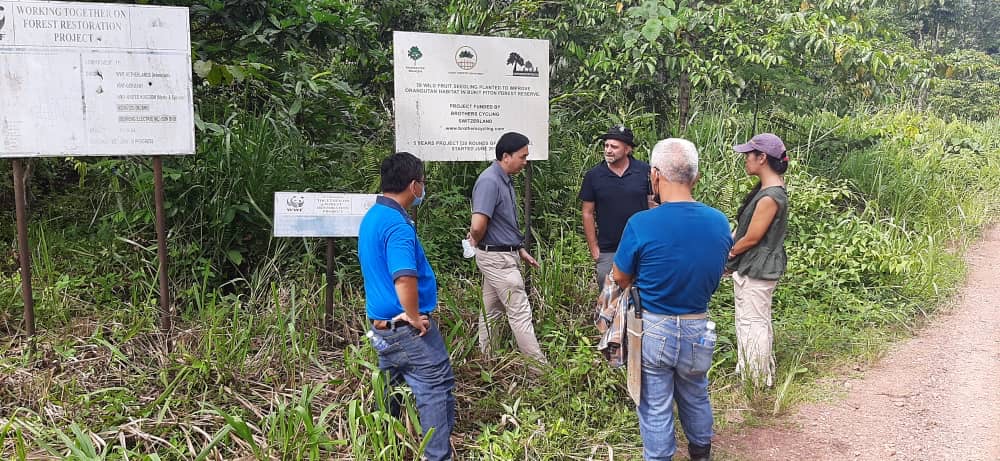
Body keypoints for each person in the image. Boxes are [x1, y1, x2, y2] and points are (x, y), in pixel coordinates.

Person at [612, 138, 733, 461]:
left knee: (654, 403)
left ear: (654, 175)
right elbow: (718, 267)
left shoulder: (641, 223)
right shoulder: (719, 222)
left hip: (654, 329)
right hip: (698, 325)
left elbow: (620, 277)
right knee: (696, 394)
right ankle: (700, 455)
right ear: (696, 177)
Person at [358, 152, 455, 461]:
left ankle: (383, 445)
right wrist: (414, 316)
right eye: (422, 183)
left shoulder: (373, 216)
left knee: (390, 388)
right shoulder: (397, 226)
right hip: (406, 328)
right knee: (436, 385)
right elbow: (403, 278)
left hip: (382, 325)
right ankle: (437, 456)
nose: (423, 189)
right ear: (414, 185)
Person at [467, 132, 547, 366]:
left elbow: (501, 223)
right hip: (496, 258)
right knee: (520, 311)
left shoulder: (503, 179)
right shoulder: (489, 181)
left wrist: (519, 249)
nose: (525, 162)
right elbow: (479, 224)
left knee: (491, 311)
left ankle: (486, 360)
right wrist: (474, 238)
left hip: (503, 253)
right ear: (505, 156)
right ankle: (539, 371)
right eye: (522, 157)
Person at [728, 133, 789, 388]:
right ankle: (759, 374)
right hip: (758, 267)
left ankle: (755, 380)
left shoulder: (769, 196)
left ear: (762, 158)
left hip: (756, 269)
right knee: (757, 321)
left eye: (748, 155)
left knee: (751, 323)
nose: (746, 160)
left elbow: (752, 238)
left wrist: (728, 254)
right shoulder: (771, 190)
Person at [579, 125, 655, 286]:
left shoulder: (644, 171)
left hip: (642, 246)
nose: (608, 150)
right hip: (609, 249)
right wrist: (594, 249)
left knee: (642, 297)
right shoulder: (593, 176)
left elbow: (652, 204)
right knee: (609, 301)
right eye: (606, 145)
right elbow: (587, 212)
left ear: (627, 149)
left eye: (614, 146)